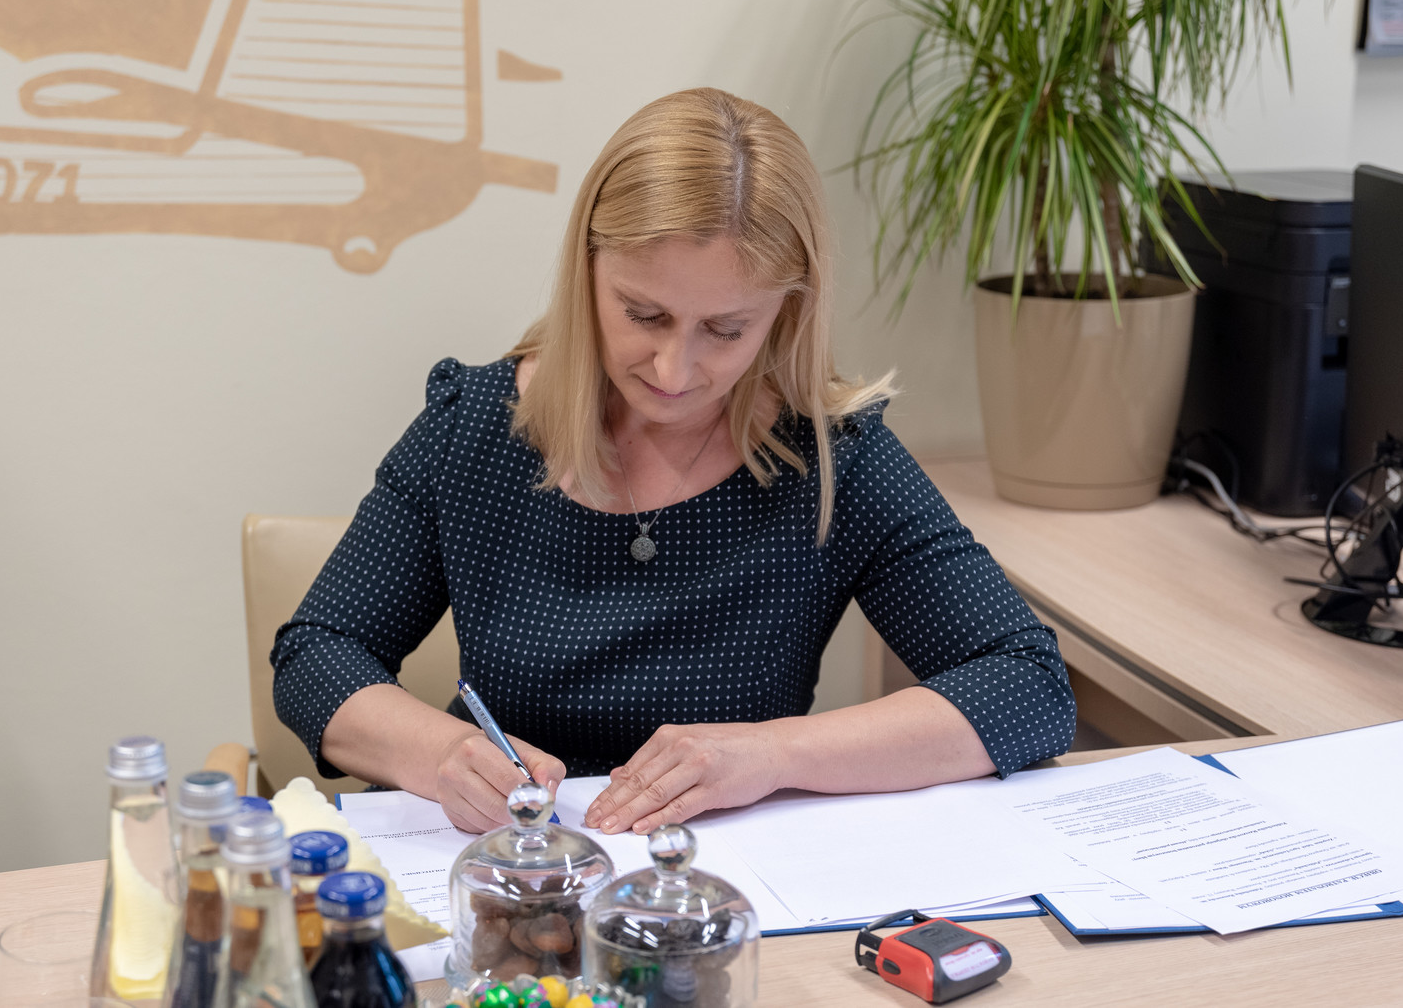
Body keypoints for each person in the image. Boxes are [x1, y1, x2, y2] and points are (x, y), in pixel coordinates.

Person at [271, 87, 1075, 836]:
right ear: (586, 269)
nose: (673, 368)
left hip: (721, 888)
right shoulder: (475, 429)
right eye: (643, 313)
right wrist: (442, 753)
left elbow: (1028, 683)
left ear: (787, 311)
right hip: (511, 871)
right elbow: (316, 654)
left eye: (726, 330)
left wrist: (774, 753)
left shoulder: (832, 456)